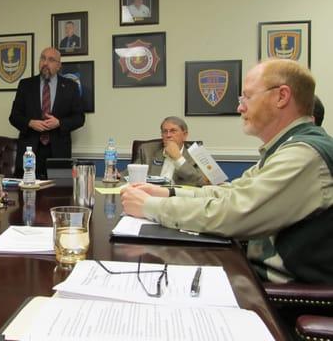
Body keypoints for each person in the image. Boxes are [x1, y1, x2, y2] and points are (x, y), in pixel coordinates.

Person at [121, 59, 333, 284]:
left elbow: (234, 212)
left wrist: (149, 207)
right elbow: (229, 192)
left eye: (247, 97)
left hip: (282, 295)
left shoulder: (303, 154)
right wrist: (166, 193)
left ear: (281, 96)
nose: (240, 107)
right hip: (256, 274)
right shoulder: (286, 148)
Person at [9, 47, 85, 178]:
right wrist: (30, 123)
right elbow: (14, 117)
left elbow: (79, 118)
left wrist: (59, 123)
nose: (45, 63)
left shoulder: (70, 87)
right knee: (26, 194)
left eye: (51, 60)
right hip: (30, 151)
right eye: (43, 58)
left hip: (59, 151)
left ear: (59, 66)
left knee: (58, 194)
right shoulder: (26, 85)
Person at [130, 116, 208, 186]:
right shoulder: (147, 150)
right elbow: (130, 174)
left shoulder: (196, 154)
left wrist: (178, 158)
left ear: (185, 135)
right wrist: (118, 175)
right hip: (151, 197)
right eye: (165, 131)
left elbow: (202, 182)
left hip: (180, 198)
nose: (168, 135)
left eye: (173, 131)